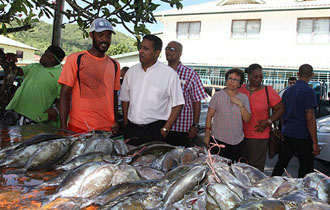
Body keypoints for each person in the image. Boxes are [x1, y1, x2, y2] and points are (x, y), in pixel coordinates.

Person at [119, 35, 184, 146]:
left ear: (156, 53)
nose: (141, 51)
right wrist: (126, 122)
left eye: (146, 48)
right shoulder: (131, 72)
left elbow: (178, 104)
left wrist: (164, 130)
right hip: (131, 130)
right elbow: (125, 99)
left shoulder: (169, 74)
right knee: (129, 160)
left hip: (155, 131)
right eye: (141, 47)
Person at [58, 18, 120, 133]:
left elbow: (114, 95)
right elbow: (65, 93)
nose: (105, 39)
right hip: (79, 127)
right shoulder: (75, 59)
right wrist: (63, 127)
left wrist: (115, 120)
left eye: (108, 36)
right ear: (91, 35)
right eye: (100, 35)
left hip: (107, 128)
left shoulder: (115, 65)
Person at [272, 64, 320, 178]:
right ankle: (303, 192)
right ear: (312, 75)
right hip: (303, 134)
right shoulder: (309, 91)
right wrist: (315, 142)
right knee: (306, 169)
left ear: (298, 74)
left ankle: (270, 185)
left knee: (281, 164)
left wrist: (282, 130)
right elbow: (310, 117)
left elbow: (282, 112)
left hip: (288, 132)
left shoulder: (288, 91)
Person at [4, 45, 65, 127]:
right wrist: (10, 61)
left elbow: (63, 96)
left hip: (35, 117)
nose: (42, 56)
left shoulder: (62, 75)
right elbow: (17, 71)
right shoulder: (35, 66)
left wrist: (56, 110)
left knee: (26, 139)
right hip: (14, 111)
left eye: (45, 53)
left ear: (51, 57)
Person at [239, 64, 285, 172]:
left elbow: (281, 109)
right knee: (241, 167)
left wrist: (268, 121)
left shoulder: (268, 91)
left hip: (258, 136)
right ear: (249, 76)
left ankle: (255, 188)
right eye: (255, 76)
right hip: (239, 135)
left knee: (255, 169)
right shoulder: (241, 89)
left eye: (260, 76)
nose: (258, 79)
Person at [165, 41, 208, 147]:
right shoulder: (161, 72)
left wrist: (195, 125)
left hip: (182, 128)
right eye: (167, 48)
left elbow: (196, 101)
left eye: (172, 49)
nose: (168, 51)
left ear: (180, 53)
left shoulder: (190, 74)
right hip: (163, 125)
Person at [204, 68, 251, 162]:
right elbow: (209, 116)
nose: (232, 82)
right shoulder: (217, 96)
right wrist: (207, 135)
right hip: (218, 139)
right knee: (217, 169)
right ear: (226, 80)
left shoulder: (244, 98)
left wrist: (240, 104)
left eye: (236, 80)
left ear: (240, 83)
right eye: (230, 78)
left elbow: (247, 119)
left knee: (234, 170)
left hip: (237, 140)